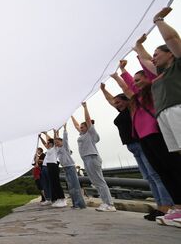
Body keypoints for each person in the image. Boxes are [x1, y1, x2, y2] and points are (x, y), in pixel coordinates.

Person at [112, 62, 181, 225]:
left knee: (172, 168)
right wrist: (118, 75)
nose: (135, 83)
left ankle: (172, 205)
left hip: (156, 133)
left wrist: (137, 54)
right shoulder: (137, 97)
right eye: (134, 80)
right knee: (163, 172)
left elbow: (152, 74)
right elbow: (127, 87)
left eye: (138, 79)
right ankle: (177, 207)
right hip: (143, 138)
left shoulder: (154, 90)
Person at [101, 82, 173, 219]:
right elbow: (111, 100)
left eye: (119, 102)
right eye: (115, 103)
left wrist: (117, 77)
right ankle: (159, 207)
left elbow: (127, 92)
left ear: (127, 101)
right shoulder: (121, 110)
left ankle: (166, 207)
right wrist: (103, 90)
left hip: (141, 143)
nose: (117, 104)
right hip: (133, 147)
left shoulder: (133, 108)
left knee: (155, 175)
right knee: (148, 177)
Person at [136, 8, 181, 154]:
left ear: (170, 54)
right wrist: (138, 46)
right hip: (163, 114)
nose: (153, 58)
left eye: (157, 54)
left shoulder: (178, 64)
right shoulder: (160, 73)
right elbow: (146, 59)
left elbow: (171, 39)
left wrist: (158, 20)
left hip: (177, 108)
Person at [71, 102, 116, 212]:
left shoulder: (91, 133)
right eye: (80, 127)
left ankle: (109, 204)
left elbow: (88, 120)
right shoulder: (82, 134)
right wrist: (70, 115)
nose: (80, 128)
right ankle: (105, 203)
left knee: (100, 181)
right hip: (86, 159)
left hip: (92, 157)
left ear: (88, 127)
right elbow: (76, 125)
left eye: (83, 127)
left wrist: (85, 107)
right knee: (95, 182)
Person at [54, 126, 86, 209]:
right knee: (70, 187)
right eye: (55, 143)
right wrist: (55, 133)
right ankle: (75, 204)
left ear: (62, 142)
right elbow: (55, 140)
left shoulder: (65, 147)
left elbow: (65, 138)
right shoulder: (58, 150)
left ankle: (80, 205)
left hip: (70, 167)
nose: (56, 144)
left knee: (75, 186)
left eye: (57, 142)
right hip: (65, 168)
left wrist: (64, 128)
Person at [39, 133, 66, 208]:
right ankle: (58, 199)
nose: (46, 144)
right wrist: (40, 137)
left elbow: (54, 139)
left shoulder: (55, 148)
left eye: (48, 143)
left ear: (51, 143)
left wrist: (53, 133)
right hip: (49, 166)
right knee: (53, 183)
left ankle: (62, 199)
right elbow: (44, 143)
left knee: (56, 183)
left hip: (53, 165)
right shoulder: (49, 149)